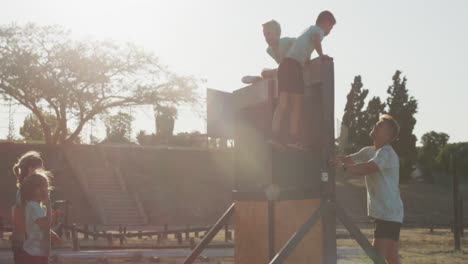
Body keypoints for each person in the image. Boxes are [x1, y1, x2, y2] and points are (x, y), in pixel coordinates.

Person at [331, 114, 403, 264]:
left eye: (380, 125)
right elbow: (349, 158)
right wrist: (335, 158)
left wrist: (343, 168)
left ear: (388, 135)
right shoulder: (368, 151)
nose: (375, 125)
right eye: (377, 123)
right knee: (391, 258)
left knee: (377, 257)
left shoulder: (386, 153)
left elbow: (369, 167)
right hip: (387, 213)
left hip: (388, 213)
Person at [270, 11, 335, 150]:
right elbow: (316, 39)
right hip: (294, 67)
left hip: (284, 66)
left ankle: (274, 137)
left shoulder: (307, 30)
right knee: (296, 106)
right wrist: (322, 55)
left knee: (283, 104)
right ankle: (294, 140)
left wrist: (307, 60)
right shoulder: (318, 30)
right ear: (326, 22)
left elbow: (303, 49)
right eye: (331, 27)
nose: (330, 31)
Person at [11, 151, 44, 264]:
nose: (40, 174)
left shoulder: (23, 189)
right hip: (26, 245)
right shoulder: (27, 192)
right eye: (38, 170)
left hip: (24, 243)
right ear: (30, 169)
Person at [20, 171, 57, 264]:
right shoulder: (34, 207)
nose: (46, 190)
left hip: (37, 252)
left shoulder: (35, 206)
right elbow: (46, 224)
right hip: (34, 254)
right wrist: (48, 204)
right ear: (34, 189)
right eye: (44, 187)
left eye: (46, 187)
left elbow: (42, 227)